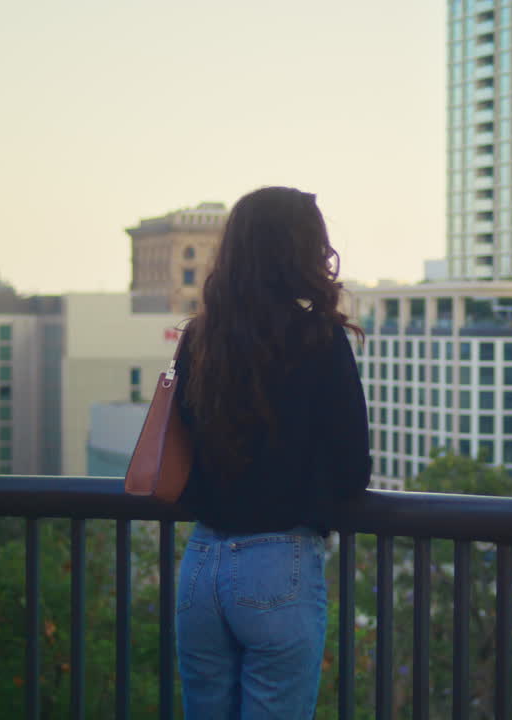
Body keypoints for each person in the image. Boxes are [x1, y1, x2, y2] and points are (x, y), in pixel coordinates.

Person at [173, 186, 370, 719]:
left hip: (200, 564)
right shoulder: (319, 339)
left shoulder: (199, 339)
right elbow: (354, 466)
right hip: (278, 563)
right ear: (302, 252)